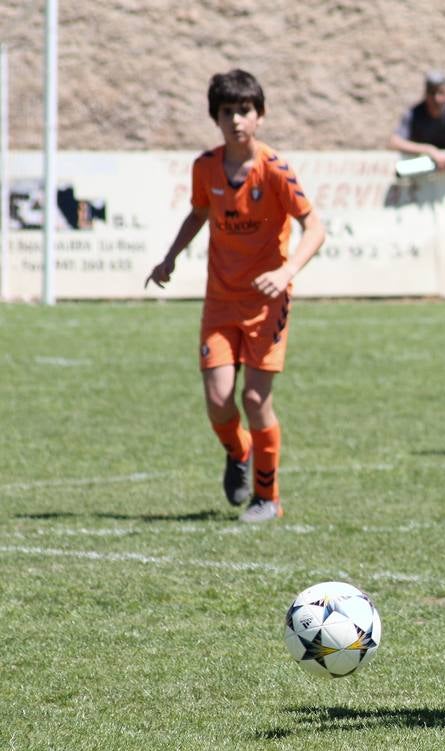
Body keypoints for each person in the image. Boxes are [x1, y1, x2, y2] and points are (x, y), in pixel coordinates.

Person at [145, 69, 326, 523]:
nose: (236, 120)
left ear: (260, 116)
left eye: (245, 110)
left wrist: (287, 271)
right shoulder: (206, 166)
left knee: (255, 400)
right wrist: (169, 258)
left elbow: (316, 228)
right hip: (220, 302)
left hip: (267, 305)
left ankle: (268, 497)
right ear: (216, 118)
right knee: (219, 399)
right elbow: (199, 212)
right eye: (227, 112)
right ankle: (238, 449)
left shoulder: (276, 169)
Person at [387, 70, 445, 171]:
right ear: (425, 94)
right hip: (421, 169)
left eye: (441, 93)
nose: (437, 99)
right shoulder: (414, 114)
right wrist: (429, 150)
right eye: (432, 93)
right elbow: (394, 142)